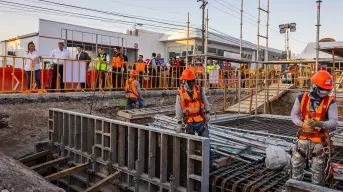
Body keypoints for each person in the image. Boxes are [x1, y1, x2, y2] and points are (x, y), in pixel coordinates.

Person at [290, 70, 338, 186]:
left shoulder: (330, 102)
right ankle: (295, 188)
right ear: (315, 86)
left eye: (328, 90)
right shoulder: (301, 98)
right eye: (324, 89)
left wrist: (321, 124)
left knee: (317, 174)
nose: (326, 92)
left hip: (319, 143)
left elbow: (334, 122)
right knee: (296, 168)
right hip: (302, 140)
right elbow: (293, 115)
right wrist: (302, 124)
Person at [175, 69, 218, 169]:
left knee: (206, 141)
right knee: (189, 144)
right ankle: (190, 165)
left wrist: (207, 113)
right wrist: (179, 122)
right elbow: (178, 108)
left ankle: (209, 162)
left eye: (193, 81)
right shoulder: (180, 93)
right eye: (190, 81)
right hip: (188, 122)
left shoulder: (199, 90)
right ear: (185, 81)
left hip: (200, 121)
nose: (192, 83)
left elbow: (205, 102)